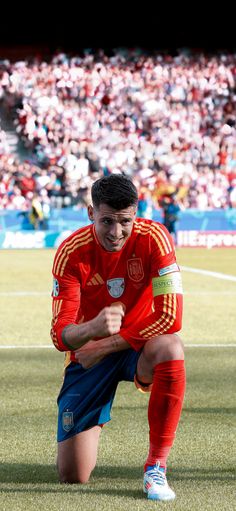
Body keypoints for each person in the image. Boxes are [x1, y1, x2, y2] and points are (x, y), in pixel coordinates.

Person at [51, 174, 185, 501]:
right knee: (73, 475)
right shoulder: (71, 252)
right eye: (106, 221)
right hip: (88, 355)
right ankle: (92, 418)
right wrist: (92, 330)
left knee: (170, 346)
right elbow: (60, 335)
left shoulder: (155, 237)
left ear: (135, 214)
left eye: (124, 222)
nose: (116, 232)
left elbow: (171, 317)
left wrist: (107, 344)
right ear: (90, 213)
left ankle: (156, 467)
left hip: (137, 345)